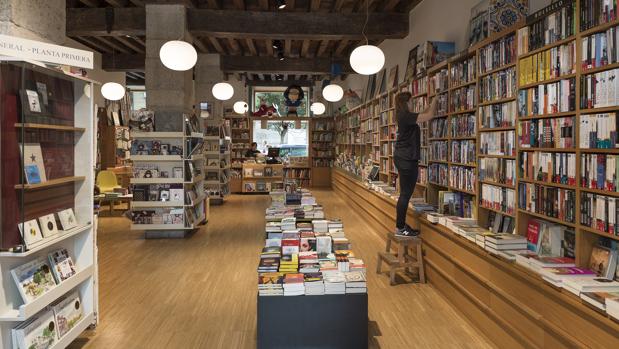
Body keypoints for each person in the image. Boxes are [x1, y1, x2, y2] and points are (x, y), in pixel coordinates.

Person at [393, 93, 437, 237]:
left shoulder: (403, 115)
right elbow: (429, 116)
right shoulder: (405, 116)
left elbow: (421, 116)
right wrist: (436, 100)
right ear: (406, 102)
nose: (413, 104)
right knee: (405, 194)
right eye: (412, 101)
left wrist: (427, 108)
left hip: (403, 157)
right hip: (407, 159)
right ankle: (400, 227)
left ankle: (401, 225)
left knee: (404, 194)